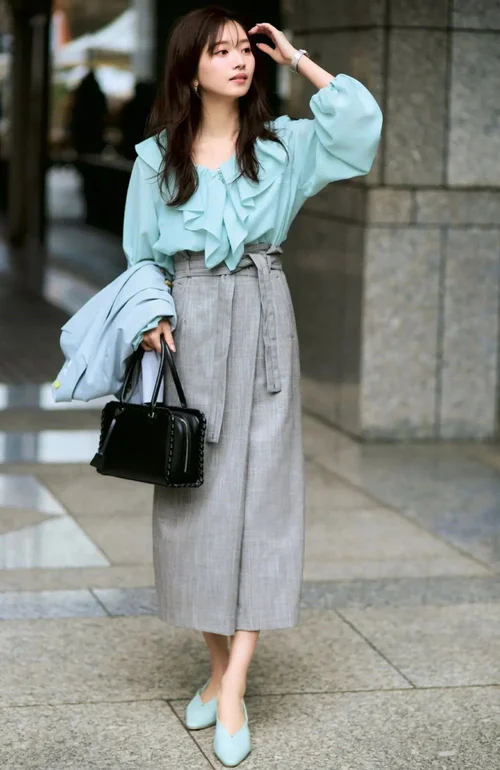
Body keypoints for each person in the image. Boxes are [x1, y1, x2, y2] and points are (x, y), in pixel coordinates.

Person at [122, 6, 382, 766]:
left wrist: (297, 58)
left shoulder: (284, 144)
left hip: (266, 315)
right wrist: (150, 314)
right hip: (192, 322)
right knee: (195, 498)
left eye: (245, 49)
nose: (239, 61)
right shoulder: (153, 159)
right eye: (221, 50)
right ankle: (214, 669)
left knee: (264, 499)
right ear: (189, 67)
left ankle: (232, 685)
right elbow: (141, 256)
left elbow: (359, 126)